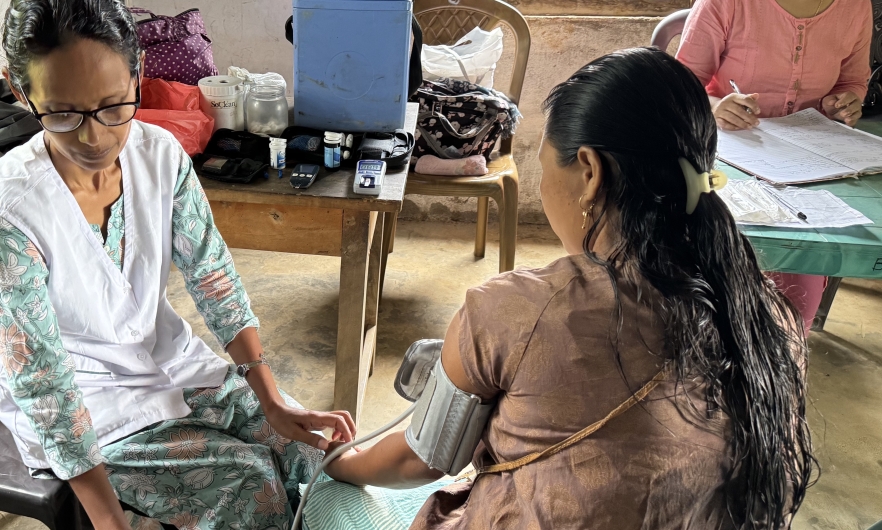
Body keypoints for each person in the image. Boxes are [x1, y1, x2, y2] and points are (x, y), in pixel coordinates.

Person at [317, 48, 816, 529]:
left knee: (325, 497)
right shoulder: (765, 316)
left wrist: (343, 464)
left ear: (590, 172)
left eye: (543, 162)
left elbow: (419, 461)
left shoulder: (514, 311)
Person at [0, 1, 354, 529]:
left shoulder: (160, 154)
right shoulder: (13, 209)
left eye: (114, 105)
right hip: (89, 404)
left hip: (171, 363)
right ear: (18, 89)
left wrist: (271, 398)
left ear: (139, 71)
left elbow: (213, 277)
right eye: (62, 113)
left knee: (320, 456)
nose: (94, 138)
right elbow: (44, 382)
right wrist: (109, 521)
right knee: (251, 485)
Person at [675, 0, 873, 334]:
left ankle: (779, 360)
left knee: (795, 291)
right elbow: (680, 83)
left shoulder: (855, 6)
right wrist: (714, 106)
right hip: (725, 154)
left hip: (811, 166)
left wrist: (846, 100)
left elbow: (853, 82)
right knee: (715, 274)